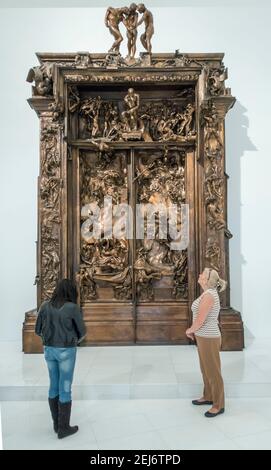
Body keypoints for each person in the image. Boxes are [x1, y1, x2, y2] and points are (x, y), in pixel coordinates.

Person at [35, 279, 86, 438]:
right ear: (71, 291)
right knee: (65, 387)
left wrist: (48, 340)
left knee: (53, 386)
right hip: (66, 351)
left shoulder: (44, 306)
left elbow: (37, 330)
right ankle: (64, 428)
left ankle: (57, 425)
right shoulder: (72, 308)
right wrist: (73, 341)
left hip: (49, 350)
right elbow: (82, 332)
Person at [185, 268, 227, 418]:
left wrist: (190, 330)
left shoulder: (209, 295)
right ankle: (208, 396)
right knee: (206, 369)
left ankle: (218, 404)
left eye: (202, 273)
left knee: (213, 371)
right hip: (203, 337)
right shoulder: (206, 293)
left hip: (209, 337)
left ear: (207, 279)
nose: (199, 274)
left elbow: (201, 319)